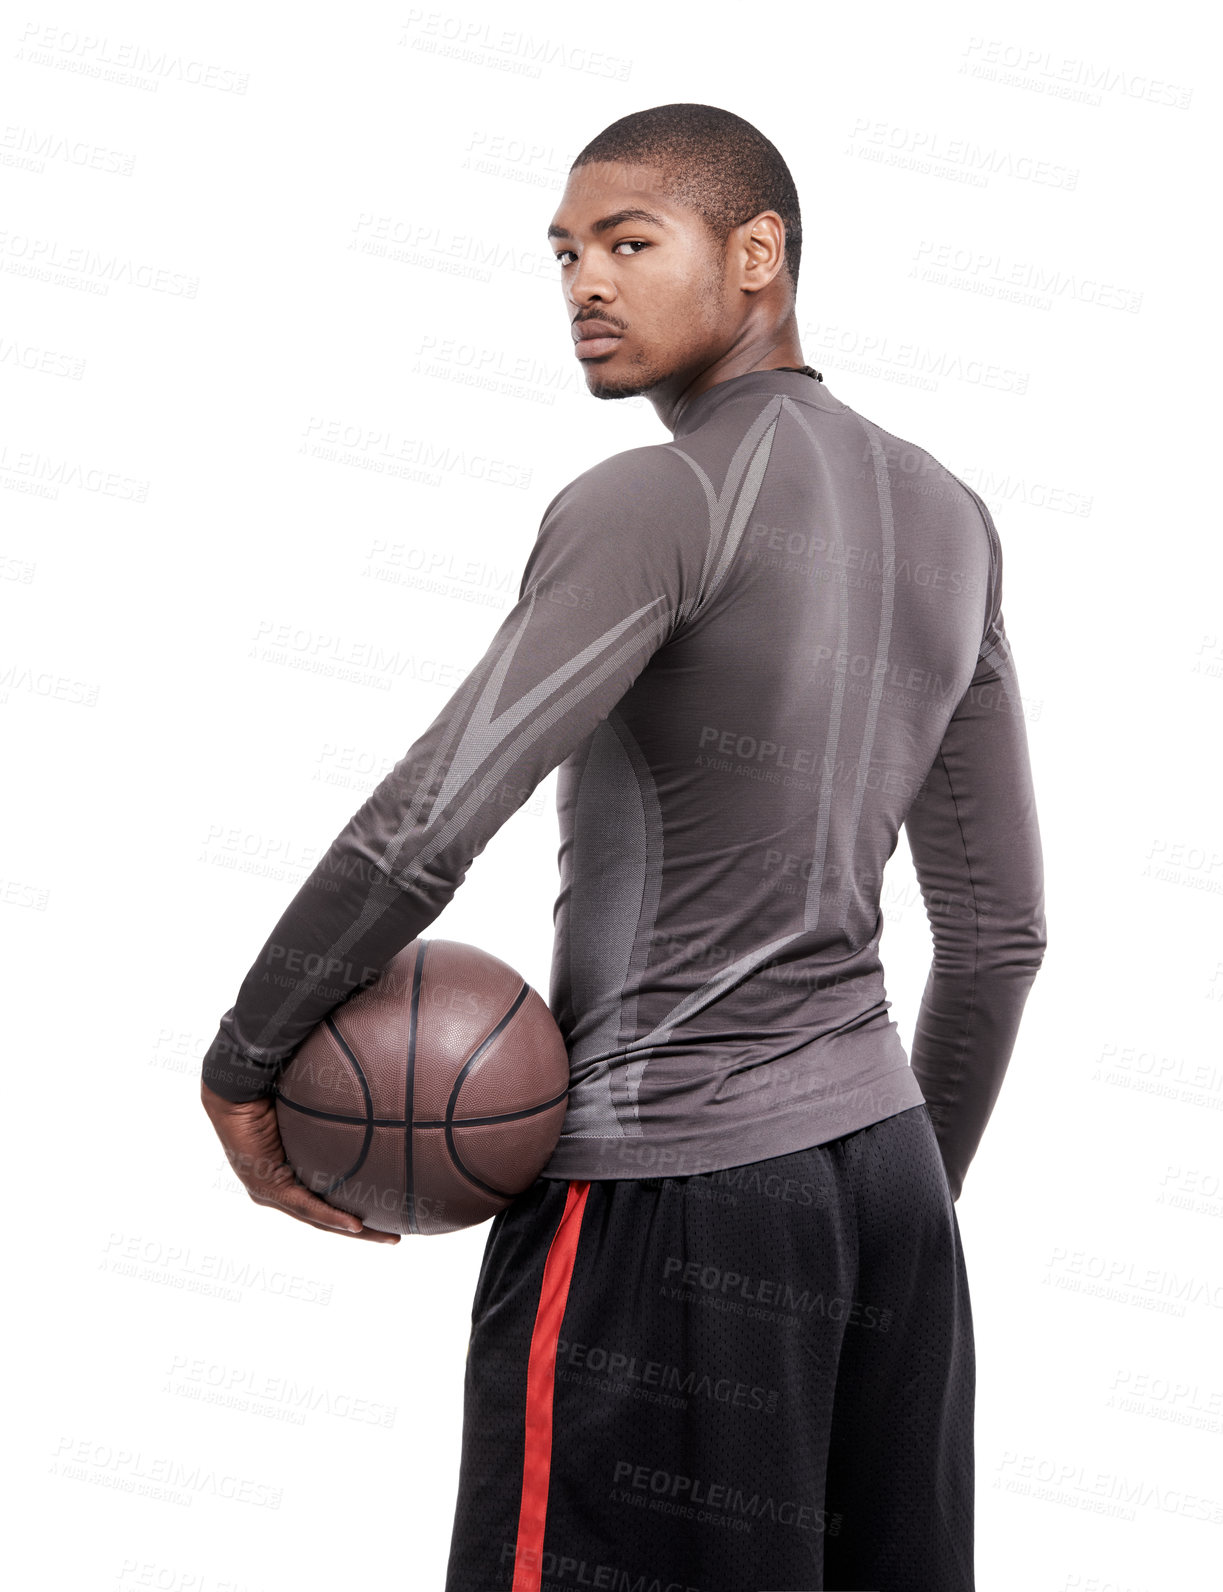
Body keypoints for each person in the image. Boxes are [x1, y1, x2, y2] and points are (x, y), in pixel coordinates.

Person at [201, 103, 1047, 1592]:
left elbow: (430, 820)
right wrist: (877, 1219)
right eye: (566, 253)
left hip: (664, 1197)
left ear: (758, 255)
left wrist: (243, 1059)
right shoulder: (952, 517)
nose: (586, 283)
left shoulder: (654, 500)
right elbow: (997, 940)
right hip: (893, 1204)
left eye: (631, 243)